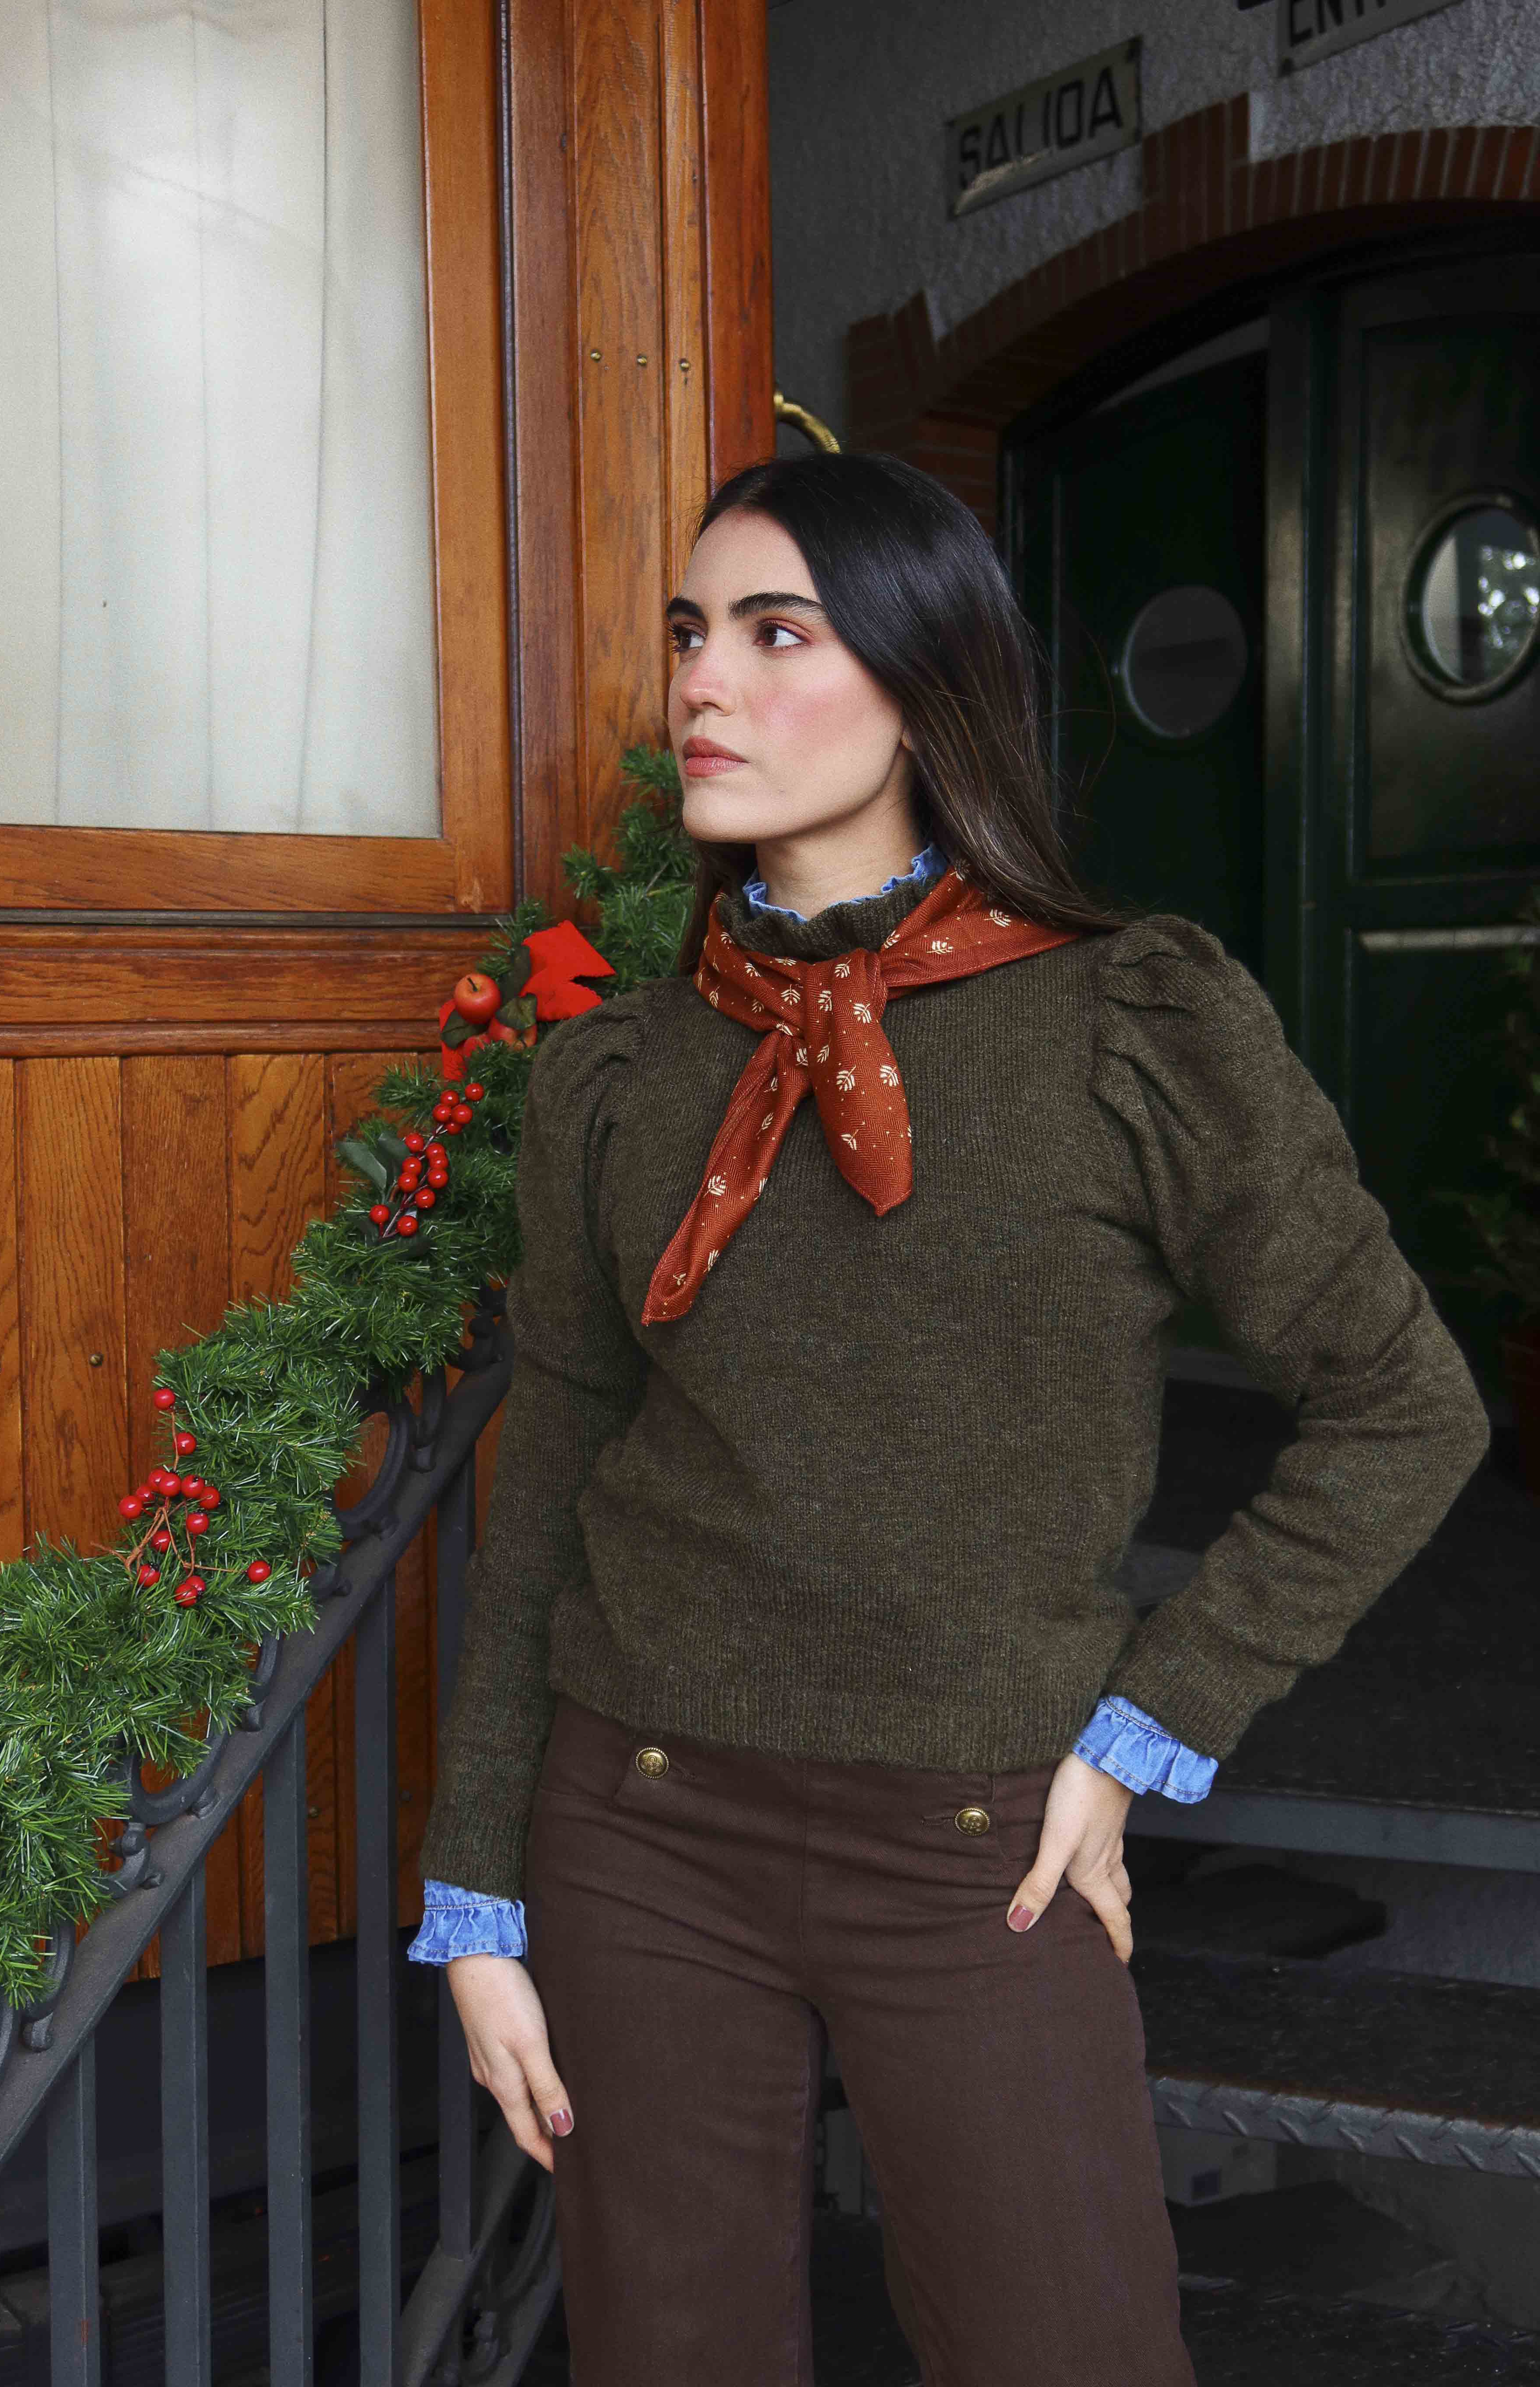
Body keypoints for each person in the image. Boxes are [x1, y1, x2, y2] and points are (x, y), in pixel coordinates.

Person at [412, 451, 1491, 2385]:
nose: (703, 682)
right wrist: (477, 1893)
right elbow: (559, 1468)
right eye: (691, 632)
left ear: (923, 684)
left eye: (778, 634)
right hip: (637, 1827)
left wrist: (1150, 1731)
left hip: (981, 1841)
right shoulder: (623, 1075)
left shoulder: (1131, 1023)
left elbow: (1404, 1406)